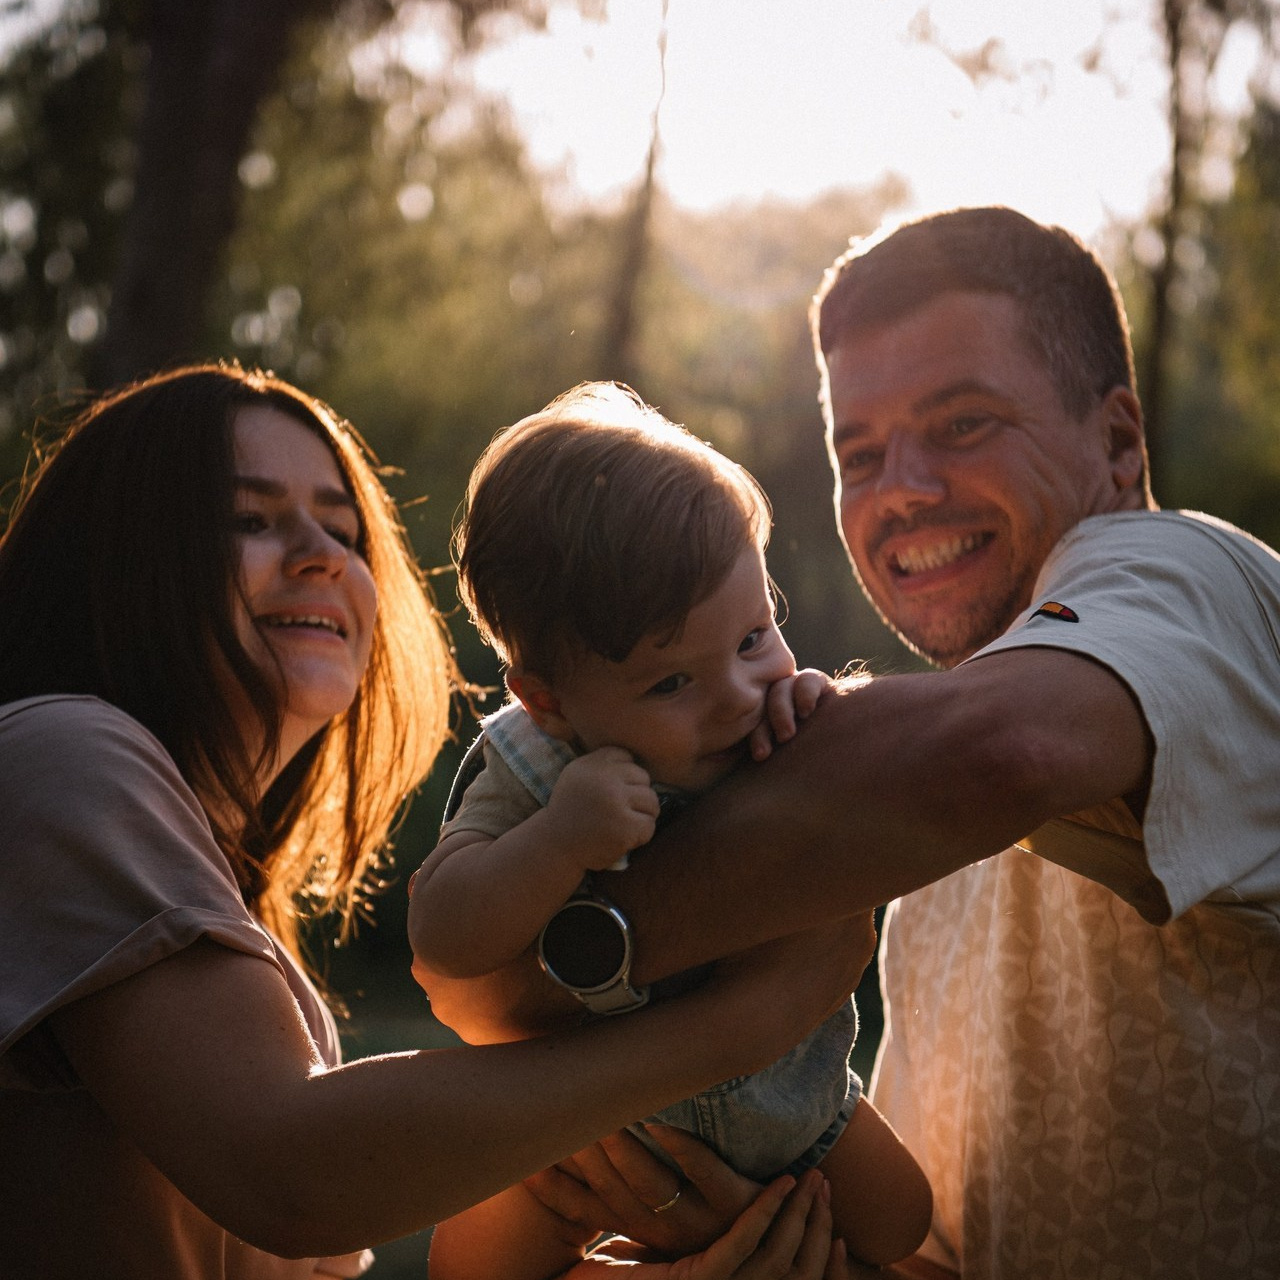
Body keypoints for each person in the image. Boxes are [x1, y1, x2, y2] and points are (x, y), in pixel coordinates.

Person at [442, 207, 1280, 1279]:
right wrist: (769, 1248)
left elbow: (999, 750)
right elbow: (948, 1252)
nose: (901, 489)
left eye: (962, 423)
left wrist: (555, 955)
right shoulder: (912, 840)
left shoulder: (1183, 577)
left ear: (1116, 439)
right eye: (859, 451)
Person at [0, 362, 876, 1280]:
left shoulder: (237, 917)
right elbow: (291, 1172)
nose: (324, 556)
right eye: (250, 520)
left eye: (343, 531)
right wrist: (742, 1028)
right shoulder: (63, 750)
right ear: (110, 557)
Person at [407, 383, 931, 1278]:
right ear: (549, 701)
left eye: (754, 638)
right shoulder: (533, 775)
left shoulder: (782, 727)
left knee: (902, 1223)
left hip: (794, 1107)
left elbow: (889, 806)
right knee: (469, 1267)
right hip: (591, 1129)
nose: (738, 695)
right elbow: (442, 934)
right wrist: (557, 842)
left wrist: (826, 721)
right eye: (670, 685)